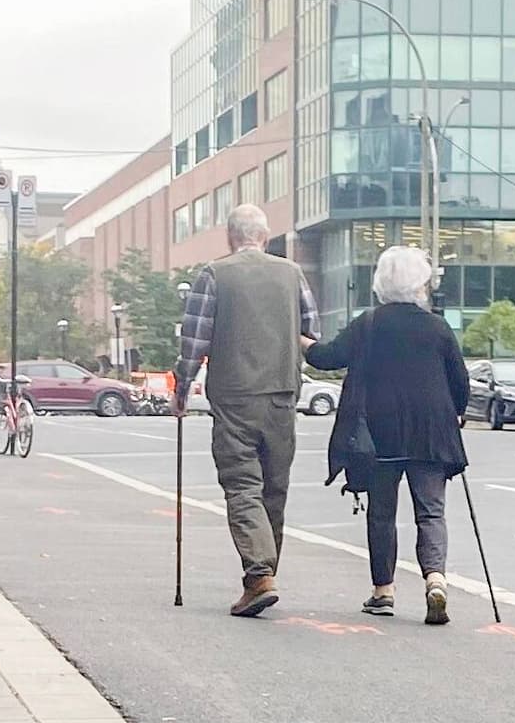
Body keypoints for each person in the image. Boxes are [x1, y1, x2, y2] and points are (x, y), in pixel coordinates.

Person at [307, 243, 473, 625]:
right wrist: (457, 414)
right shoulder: (437, 327)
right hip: (431, 432)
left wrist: (302, 340)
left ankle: (384, 591)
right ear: (420, 285)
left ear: (381, 283)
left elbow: (327, 358)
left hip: (379, 434)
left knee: (382, 514)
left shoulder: (368, 324)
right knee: (431, 512)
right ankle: (435, 579)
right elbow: (459, 381)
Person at [179, 206, 317, 617]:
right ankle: (262, 573)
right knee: (274, 486)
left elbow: (195, 340)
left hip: (235, 394)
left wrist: (182, 387)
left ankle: (259, 574)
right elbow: (311, 331)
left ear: (229, 237)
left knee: (242, 485)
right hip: (282, 392)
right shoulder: (291, 274)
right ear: (266, 237)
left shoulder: (215, 274)